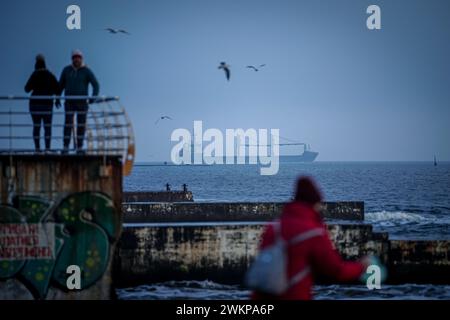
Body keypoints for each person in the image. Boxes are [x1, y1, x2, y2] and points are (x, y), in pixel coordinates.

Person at [252, 176, 369, 300]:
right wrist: (361, 267)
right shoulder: (313, 232)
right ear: (314, 203)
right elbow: (335, 270)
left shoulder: (273, 228)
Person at [59, 49, 99, 153]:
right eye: (74, 57)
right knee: (68, 124)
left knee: (81, 125)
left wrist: (93, 97)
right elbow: (60, 85)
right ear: (72, 59)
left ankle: (80, 147)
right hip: (69, 102)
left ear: (81, 58)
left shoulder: (86, 71)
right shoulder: (66, 70)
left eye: (78, 57)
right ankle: (65, 146)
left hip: (82, 103)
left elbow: (96, 85)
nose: (76, 59)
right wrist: (57, 98)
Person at [24, 54, 60, 152]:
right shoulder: (50, 74)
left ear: (36, 63)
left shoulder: (34, 74)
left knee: (37, 126)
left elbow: (26, 89)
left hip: (35, 104)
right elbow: (58, 88)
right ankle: (47, 149)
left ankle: (37, 149)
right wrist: (57, 99)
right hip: (47, 104)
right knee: (47, 127)